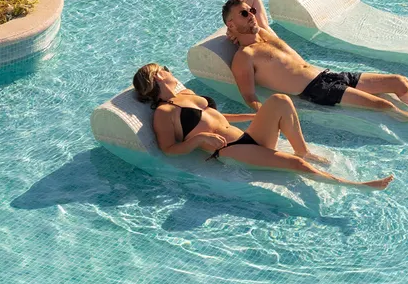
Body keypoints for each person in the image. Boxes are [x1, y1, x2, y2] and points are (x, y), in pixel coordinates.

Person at [223, 0, 408, 129]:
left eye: (251, 12)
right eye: (245, 14)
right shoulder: (244, 57)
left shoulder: (264, 33)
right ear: (232, 23)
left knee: (399, 82)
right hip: (315, 89)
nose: (252, 15)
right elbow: (250, 97)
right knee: (382, 105)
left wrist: (239, 21)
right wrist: (269, 118)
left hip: (329, 74)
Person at [131, 63, 393, 189]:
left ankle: (302, 149)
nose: (169, 70)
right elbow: (168, 149)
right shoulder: (164, 113)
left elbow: (217, 119)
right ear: (157, 76)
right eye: (164, 69)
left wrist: (252, 116)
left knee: (279, 100)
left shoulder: (187, 94)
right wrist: (198, 141)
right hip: (228, 150)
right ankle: (357, 185)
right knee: (296, 167)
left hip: (246, 136)